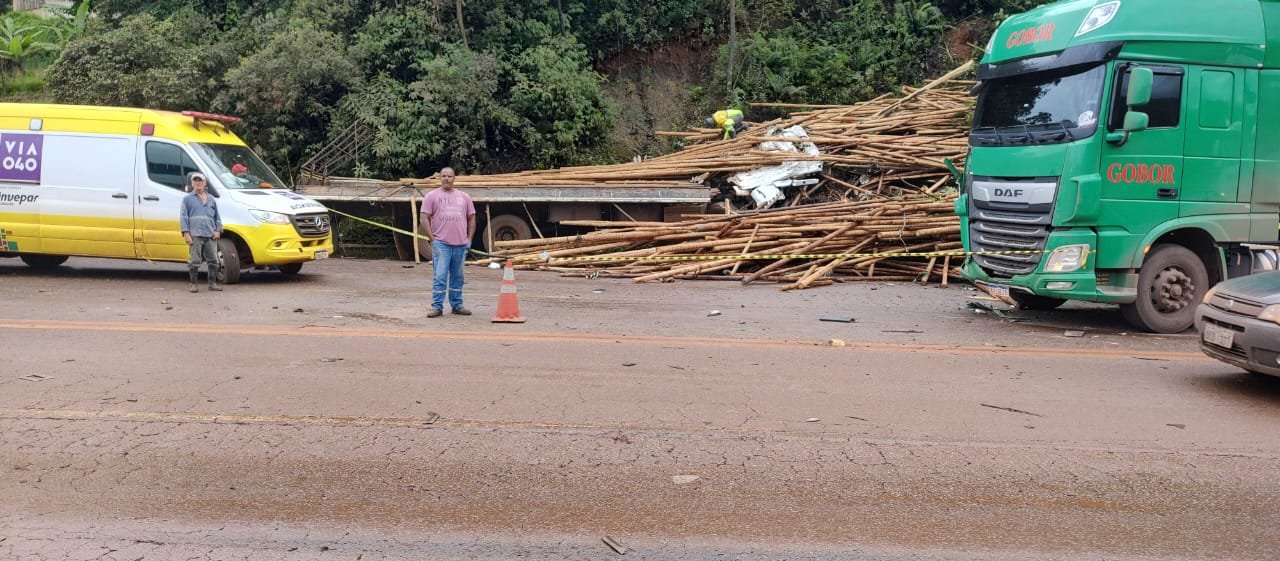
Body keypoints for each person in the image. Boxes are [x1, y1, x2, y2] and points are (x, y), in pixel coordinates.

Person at [420, 167, 476, 317]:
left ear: (454, 178)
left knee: (458, 277)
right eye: (444, 176)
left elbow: (472, 218)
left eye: (449, 176)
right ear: (440, 178)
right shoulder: (431, 196)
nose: (447, 179)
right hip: (442, 244)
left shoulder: (464, 197)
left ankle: (457, 305)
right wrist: (433, 239)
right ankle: (437, 307)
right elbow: (424, 218)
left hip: (460, 244)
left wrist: (469, 240)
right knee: (440, 276)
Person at [180, 172, 224, 293]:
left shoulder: (211, 199)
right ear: (192, 183)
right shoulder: (187, 199)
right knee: (194, 261)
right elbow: (183, 217)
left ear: (205, 183)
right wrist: (186, 233)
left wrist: (218, 230)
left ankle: (212, 283)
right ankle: (193, 284)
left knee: (214, 261)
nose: (198, 183)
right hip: (195, 234)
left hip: (210, 234)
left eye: (200, 181)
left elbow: (217, 217)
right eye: (195, 181)